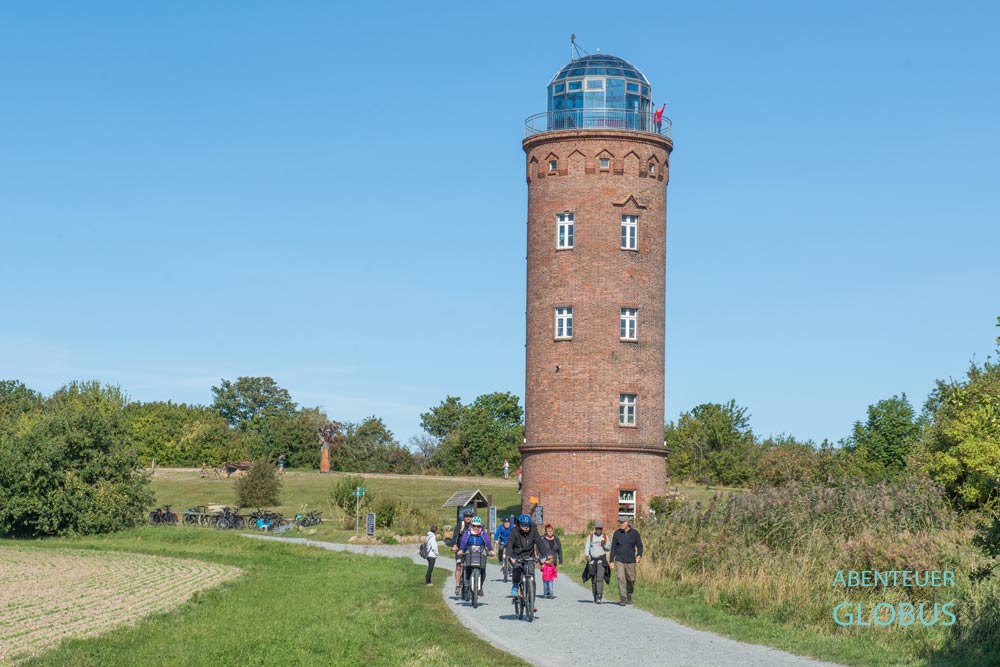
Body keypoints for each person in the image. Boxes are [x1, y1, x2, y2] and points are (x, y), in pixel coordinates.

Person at [507, 513, 546, 602]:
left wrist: (543, 555)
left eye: (528, 525)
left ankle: (531, 603)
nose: (526, 527)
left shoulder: (533, 531)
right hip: (517, 556)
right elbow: (509, 544)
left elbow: (539, 543)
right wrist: (510, 556)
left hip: (530, 556)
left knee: (532, 578)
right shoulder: (514, 531)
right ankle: (515, 585)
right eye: (524, 525)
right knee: (517, 569)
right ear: (519, 524)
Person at [456, 516, 494, 597]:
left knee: (483, 569)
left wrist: (491, 550)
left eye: (478, 526)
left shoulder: (483, 533)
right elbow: (464, 540)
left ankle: (480, 587)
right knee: (467, 565)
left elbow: (487, 541)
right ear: (471, 525)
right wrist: (461, 549)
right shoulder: (467, 532)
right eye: (474, 525)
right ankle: (467, 581)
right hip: (469, 549)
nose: (476, 527)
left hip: (481, 549)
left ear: (480, 526)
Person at [610, 518, 643, 606]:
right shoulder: (617, 533)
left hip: (631, 560)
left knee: (631, 579)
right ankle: (623, 598)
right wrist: (611, 561)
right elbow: (613, 547)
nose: (621, 524)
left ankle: (629, 594)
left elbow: (639, 546)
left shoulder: (635, 533)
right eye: (620, 523)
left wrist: (639, 555)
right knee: (621, 578)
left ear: (627, 523)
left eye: (622, 522)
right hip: (619, 560)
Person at [583, 520, 611, 603]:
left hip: (601, 560)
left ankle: (599, 596)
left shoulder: (605, 537)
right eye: (597, 529)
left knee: (600, 578)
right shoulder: (590, 537)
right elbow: (587, 547)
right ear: (595, 529)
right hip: (592, 560)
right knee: (594, 579)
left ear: (602, 529)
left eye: (600, 529)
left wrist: (604, 544)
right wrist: (587, 555)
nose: (599, 530)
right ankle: (595, 595)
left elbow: (608, 548)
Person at [451, 509, 474, 596]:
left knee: (471, 566)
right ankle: (457, 585)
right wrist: (454, 545)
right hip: (460, 549)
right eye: (466, 516)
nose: (468, 518)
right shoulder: (460, 524)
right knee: (459, 566)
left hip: (470, 549)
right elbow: (455, 535)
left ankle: (471, 583)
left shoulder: (474, 525)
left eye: (470, 516)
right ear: (464, 517)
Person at [540, 523, 563, 593]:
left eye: (551, 530)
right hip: (545, 561)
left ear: (553, 531)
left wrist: (560, 561)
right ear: (546, 531)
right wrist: (539, 559)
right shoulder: (542, 538)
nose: (550, 532)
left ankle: (550, 590)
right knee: (546, 575)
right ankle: (546, 590)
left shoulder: (556, 539)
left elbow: (560, 550)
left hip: (553, 561)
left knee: (551, 575)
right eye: (548, 531)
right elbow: (538, 549)